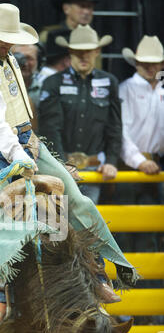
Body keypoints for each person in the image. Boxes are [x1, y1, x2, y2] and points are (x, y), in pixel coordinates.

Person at [0, 0, 138, 327]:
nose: (12, 44)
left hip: (26, 139)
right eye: (6, 36)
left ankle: (98, 271)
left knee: (76, 198)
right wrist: (19, 157)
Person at [38, 25, 121, 205]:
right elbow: (49, 128)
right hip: (59, 169)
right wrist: (61, 164)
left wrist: (112, 161)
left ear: (97, 51)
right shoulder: (52, 83)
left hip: (94, 169)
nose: (83, 56)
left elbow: (114, 126)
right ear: (69, 51)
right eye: (78, 51)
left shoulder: (109, 82)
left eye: (88, 51)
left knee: (86, 227)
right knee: (57, 227)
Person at [113, 36, 164, 258]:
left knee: (151, 230)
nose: (151, 67)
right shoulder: (126, 89)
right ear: (137, 63)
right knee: (125, 230)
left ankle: (149, 288)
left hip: (156, 163)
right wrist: (139, 160)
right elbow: (120, 130)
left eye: (155, 63)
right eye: (146, 63)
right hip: (130, 164)